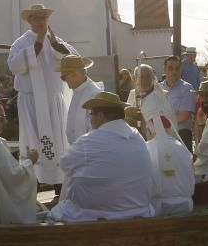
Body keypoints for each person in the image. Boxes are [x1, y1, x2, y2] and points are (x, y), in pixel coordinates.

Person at [48, 92, 155, 222]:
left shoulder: (88, 141)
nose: (90, 119)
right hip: (140, 213)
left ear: (100, 116)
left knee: (57, 211)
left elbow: (64, 163)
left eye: (91, 114)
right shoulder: (137, 137)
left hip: (98, 217)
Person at [7, 3, 78, 187]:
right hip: (32, 102)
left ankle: (58, 183)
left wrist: (55, 45)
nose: (41, 21)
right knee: (34, 142)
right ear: (30, 21)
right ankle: (34, 184)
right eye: (37, 18)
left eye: (44, 17)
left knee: (57, 141)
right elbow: (14, 66)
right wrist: (36, 46)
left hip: (53, 102)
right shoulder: (20, 43)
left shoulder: (55, 40)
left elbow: (75, 60)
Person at [58, 54, 102, 144]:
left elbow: (95, 129)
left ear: (74, 74)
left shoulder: (94, 94)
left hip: (87, 150)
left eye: (63, 77)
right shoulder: (78, 90)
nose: (63, 81)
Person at [160, 55, 197, 151]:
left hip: (181, 134)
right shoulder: (158, 89)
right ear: (164, 70)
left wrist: (159, 122)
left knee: (183, 165)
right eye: (170, 68)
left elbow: (183, 116)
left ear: (181, 69)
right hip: (161, 133)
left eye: (177, 68)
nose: (174, 71)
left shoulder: (187, 88)